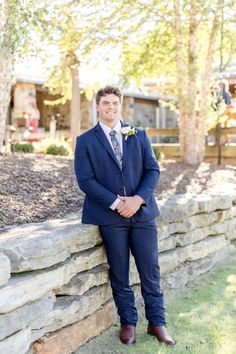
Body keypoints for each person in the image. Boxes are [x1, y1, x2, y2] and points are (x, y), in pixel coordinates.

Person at [74, 86, 175, 346]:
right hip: (110, 217)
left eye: (115, 103)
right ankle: (128, 323)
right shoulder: (85, 141)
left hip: (142, 215)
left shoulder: (138, 135)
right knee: (119, 273)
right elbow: (85, 180)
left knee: (150, 271)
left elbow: (152, 170)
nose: (110, 108)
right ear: (98, 106)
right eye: (105, 103)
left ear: (121, 106)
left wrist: (138, 199)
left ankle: (157, 323)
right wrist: (117, 203)